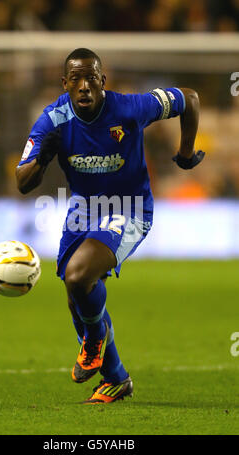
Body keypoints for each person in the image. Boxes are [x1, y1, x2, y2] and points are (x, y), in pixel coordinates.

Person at [16, 48, 204, 404]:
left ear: (103, 81)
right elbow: (22, 182)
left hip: (130, 208)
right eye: (76, 79)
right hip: (84, 210)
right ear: (65, 84)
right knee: (77, 295)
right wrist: (42, 158)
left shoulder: (129, 108)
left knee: (77, 276)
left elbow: (189, 99)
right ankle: (117, 379)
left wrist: (185, 152)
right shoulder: (53, 120)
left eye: (91, 78)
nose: (84, 86)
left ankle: (93, 339)